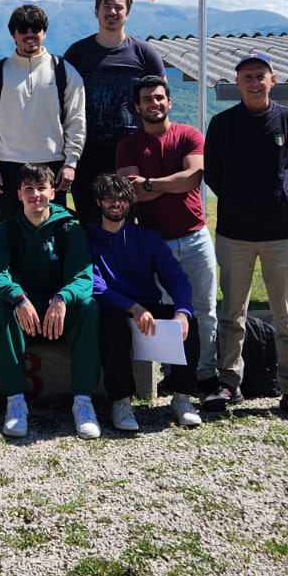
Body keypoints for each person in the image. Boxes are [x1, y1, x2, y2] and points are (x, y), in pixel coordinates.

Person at [204, 51, 288, 425]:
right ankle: (228, 383)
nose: (254, 82)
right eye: (247, 77)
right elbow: (214, 175)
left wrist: (276, 200)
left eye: (260, 76)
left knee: (286, 314)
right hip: (234, 233)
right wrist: (241, 201)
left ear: (273, 79)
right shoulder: (221, 124)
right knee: (233, 313)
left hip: (281, 235)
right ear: (237, 84)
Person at [116, 73, 219, 386]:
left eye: (159, 97)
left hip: (195, 236)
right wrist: (171, 182)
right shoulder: (129, 145)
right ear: (137, 107)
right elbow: (131, 192)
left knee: (204, 308)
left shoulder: (189, 134)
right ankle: (172, 372)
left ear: (169, 102)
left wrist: (150, 183)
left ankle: (205, 371)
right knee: (165, 311)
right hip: (155, 242)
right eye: (147, 99)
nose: (154, 103)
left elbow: (192, 179)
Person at [0, 164, 101, 440]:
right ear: (18, 195)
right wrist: (19, 297)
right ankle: (15, 401)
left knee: (89, 307)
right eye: (28, 189)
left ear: (53, 191)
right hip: (27, 307)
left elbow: (83, 277)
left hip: (59, 307)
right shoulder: (5, 232)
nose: (35, 194)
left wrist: (62, 298)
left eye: (41, 188)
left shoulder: (70, 229)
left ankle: (83, 402)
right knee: (2, 309)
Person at [84, 173, 201, 431]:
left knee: (190, 322)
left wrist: (182, 311)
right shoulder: (87, 239)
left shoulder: (147, 238)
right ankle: (121, 400)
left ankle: (182, 398)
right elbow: (93, 285)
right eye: (109, 199)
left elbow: (174, 274)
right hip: (113, 308)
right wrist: (133, 308)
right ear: (99, 202)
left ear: (130, 202)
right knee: (111, 323)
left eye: (122, 199)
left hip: (146, 307)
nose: (116, 204)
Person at [0, 3, 86, 224]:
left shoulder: (64, 71)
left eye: (35, 28)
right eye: (22, 28)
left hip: (54, 165)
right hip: (8, 166)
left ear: (44, 32)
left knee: (53, 232)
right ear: (13, 34)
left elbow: (76, 120)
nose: (29, 34)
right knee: (12, 232)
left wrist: (71, 162)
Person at [62, 0, 165, 220]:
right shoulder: (78, 53)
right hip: (86, 149)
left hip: (132, 150)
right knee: (89, 217)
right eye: (106, 7)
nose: (112, 12)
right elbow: (62, 99)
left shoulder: (144, 53)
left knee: (126, 216)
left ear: (127, 13)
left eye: (119, 7)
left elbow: (160, 99)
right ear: (96, 12)